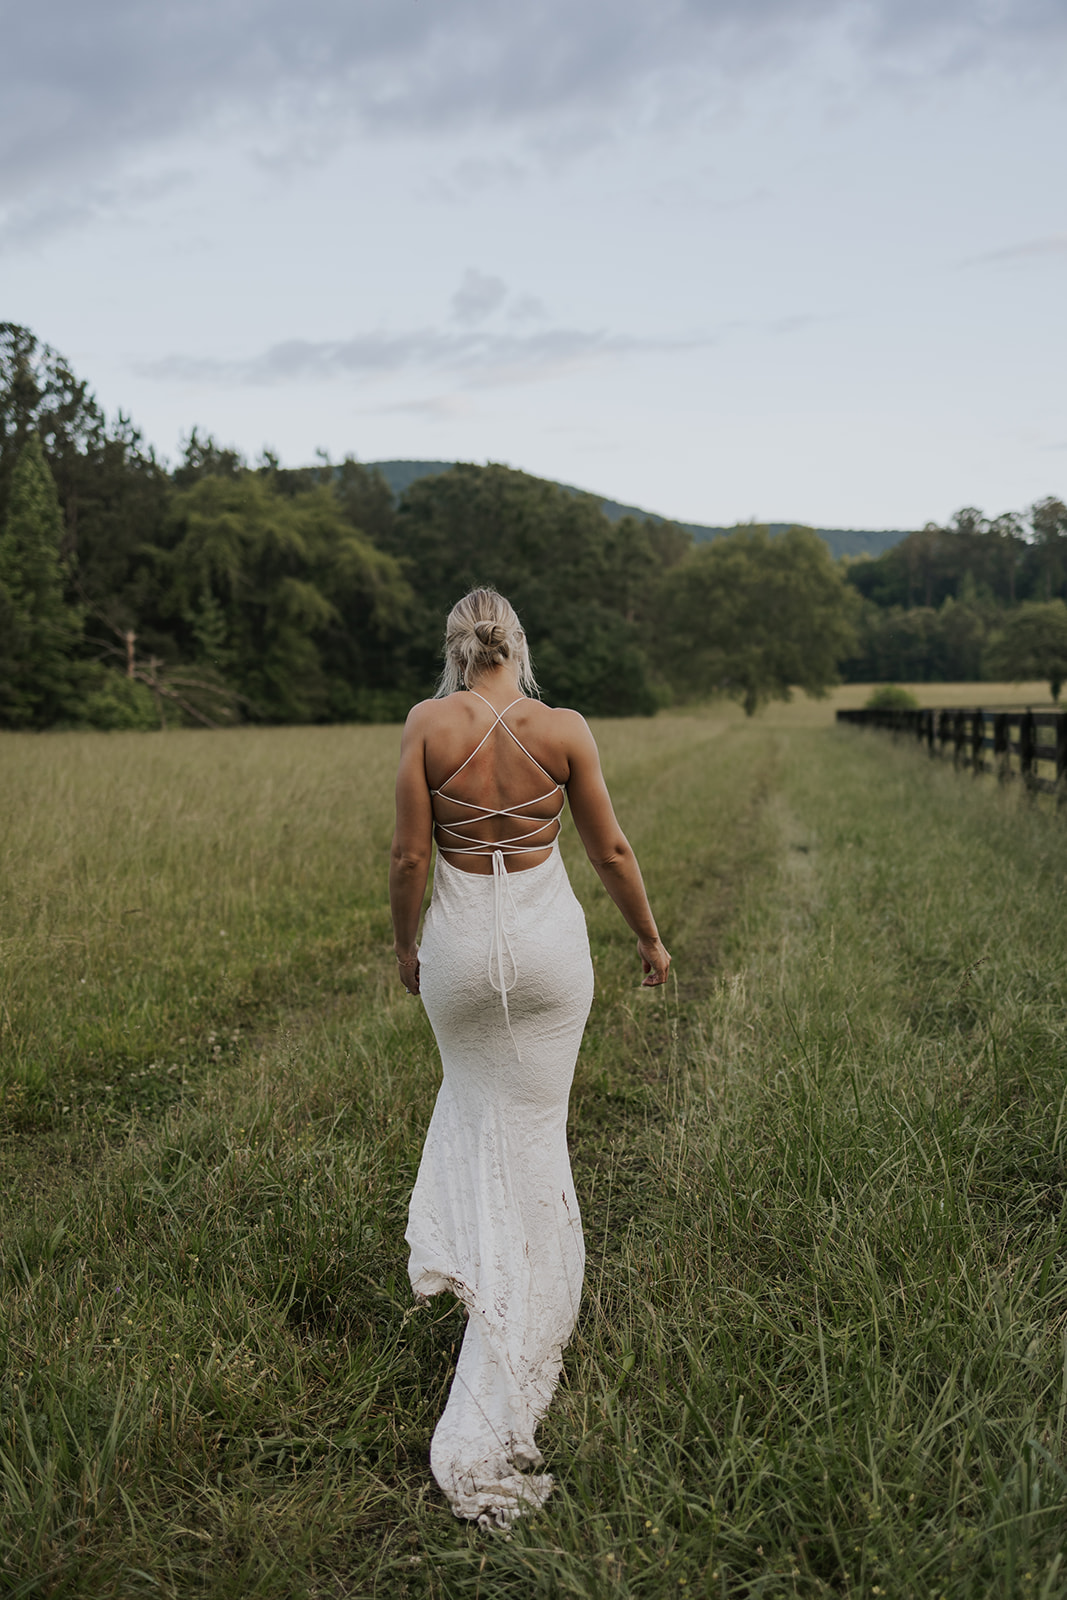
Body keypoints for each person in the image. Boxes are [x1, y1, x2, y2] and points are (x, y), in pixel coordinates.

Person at [390, 588, 670, 1526]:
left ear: (457, 648)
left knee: (476, 1118)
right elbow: (613, 849)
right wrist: (649, 939)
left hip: (460, 960)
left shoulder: (428, 724)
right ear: (517, 644)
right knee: (535, 1136)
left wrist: (404, 948)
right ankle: (514, 1329)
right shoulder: (564, 729)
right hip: (551, 958)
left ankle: (485, 1296)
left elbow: (406, 860)